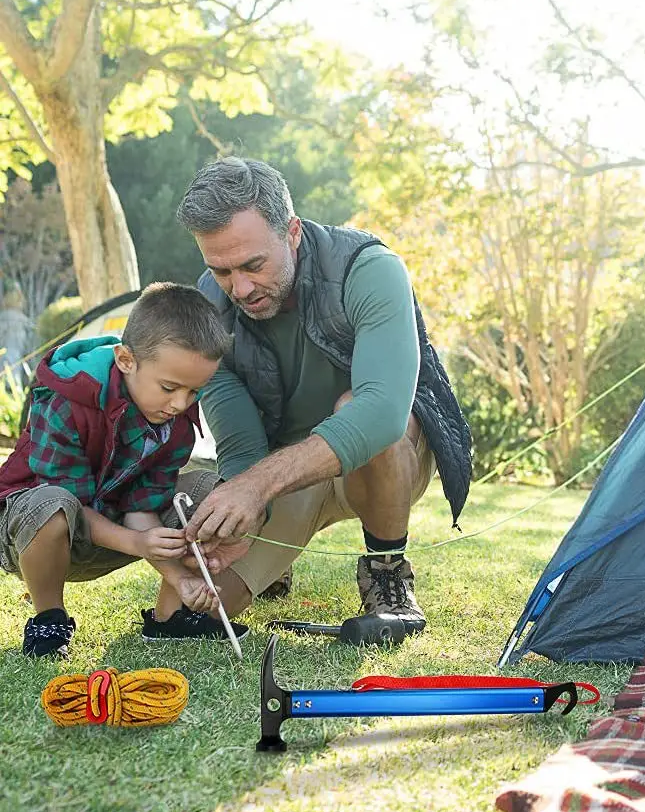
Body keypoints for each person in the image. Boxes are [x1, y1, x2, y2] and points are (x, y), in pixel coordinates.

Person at [175, 157, 472, 645]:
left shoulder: (369, 269)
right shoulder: (212, 303)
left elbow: (382, 412)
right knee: (202, 612)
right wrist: (246, 514)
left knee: (360, 409)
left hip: (385, 459)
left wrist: (257, 486)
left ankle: (387, 572)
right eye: (221, 270)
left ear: (291, 232)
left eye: (253, 265)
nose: (240, 288)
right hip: (283, 472)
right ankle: (275, 564)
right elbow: (240, 444)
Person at [0, 283, 249, 657]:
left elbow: (141, 504)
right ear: (126, 360)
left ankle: (171, 615)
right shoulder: (68, 399)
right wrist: (136, 543)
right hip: (35, 533)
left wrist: (181, 579)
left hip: (112, 527)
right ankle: (48, 619)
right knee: (53, 503)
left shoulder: (173, 420)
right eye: (169, 387)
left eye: (194, 392)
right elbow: (66, 499)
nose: (180, 403)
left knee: (210, 492)